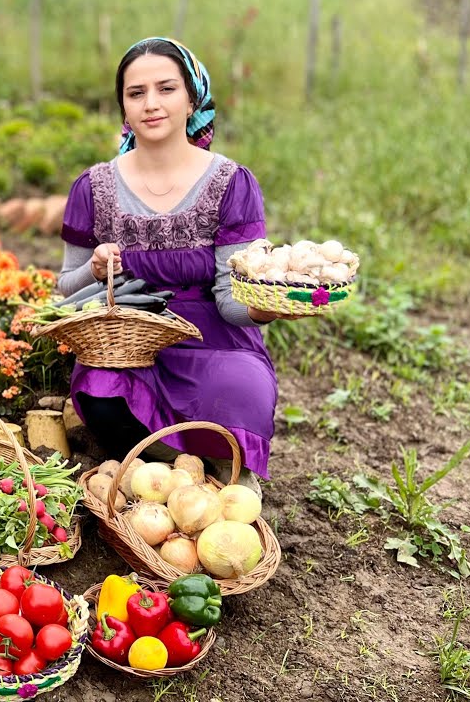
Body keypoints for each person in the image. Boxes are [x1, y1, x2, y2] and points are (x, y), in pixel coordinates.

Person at [58, 37, 301, 491]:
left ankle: (205, 468)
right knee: (99, 389)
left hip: (215, 338)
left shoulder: (231, 182)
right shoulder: (94, 187)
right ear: (123, 109)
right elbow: (67, 290)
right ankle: (187, 469)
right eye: (136, 93)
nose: (151, 104)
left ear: (192, 99)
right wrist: (93, 270)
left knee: (240, 388)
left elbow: (231, 301)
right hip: (131, 338)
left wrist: (264, 307)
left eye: (166, 89)